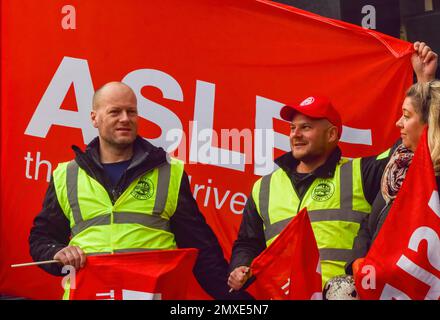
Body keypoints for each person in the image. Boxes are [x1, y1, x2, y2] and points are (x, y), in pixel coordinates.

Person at [228, 41, 438, 292]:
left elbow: (410, 147)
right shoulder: (263, 188)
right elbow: (247, 244)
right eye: (292, 128)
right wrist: (240, 267)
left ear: (331, 135)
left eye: (306, 127)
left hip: (343, 294)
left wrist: (423, 81)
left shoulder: (361, 172)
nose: (296, 135)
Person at [29, 81, 249, 300]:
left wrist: (237, 301)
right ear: (94, 118)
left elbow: (200, 247)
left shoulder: (169, 171)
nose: (125, 118)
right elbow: (42, 238)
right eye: (115, 111)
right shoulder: (66, 175)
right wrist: (55, 252)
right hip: (88, 294)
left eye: (131, 111)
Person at [348, 79, 440, 276]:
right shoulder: (397, 166)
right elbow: (370, 222)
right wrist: (358, 260)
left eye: (406, 116)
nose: (398, 122)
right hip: (377, 284)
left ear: (430, 124)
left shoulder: (433, 181)